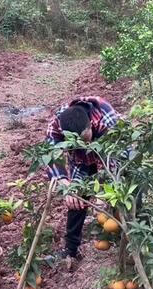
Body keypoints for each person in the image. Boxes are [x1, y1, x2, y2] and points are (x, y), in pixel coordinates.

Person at [45, 96, 121, 266]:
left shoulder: (106, 119)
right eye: (76, 143)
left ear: (89, 126)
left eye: (85, 140)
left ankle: (128, 237)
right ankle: (70, 250)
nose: (83, 145)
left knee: (125, 194)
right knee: (76, 198)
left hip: (111, 154)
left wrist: (105, 193)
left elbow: (118, 160)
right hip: (80, 161)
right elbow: (50, 155)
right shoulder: (58, 123)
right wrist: (65, 184)